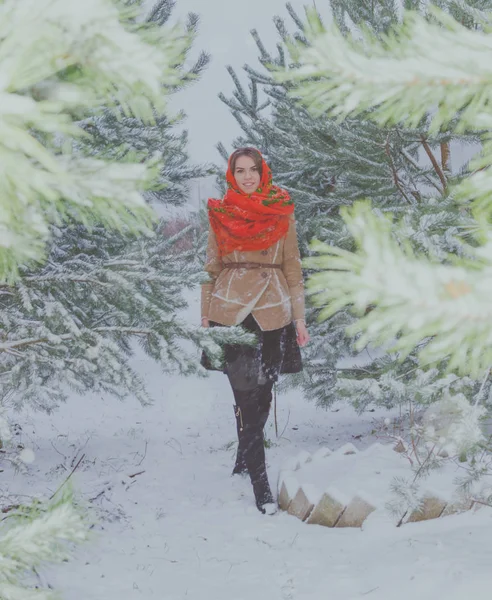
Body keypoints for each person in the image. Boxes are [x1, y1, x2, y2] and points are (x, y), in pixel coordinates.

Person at [201, 147, 309, 514]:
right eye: (240, 170)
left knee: (263, 395)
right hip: (231, 311)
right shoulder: (220, 214)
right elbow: (210, 270)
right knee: (246, 395)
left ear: (264, 173)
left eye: (253, 170)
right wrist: (205, 317)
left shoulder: (282, 211)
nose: (247, 176)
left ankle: (243, 453)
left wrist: (299, 318)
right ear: (232, 174)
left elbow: (292, 265)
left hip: (273, 312)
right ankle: (260, 485)